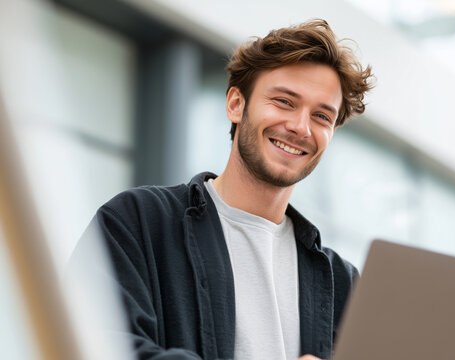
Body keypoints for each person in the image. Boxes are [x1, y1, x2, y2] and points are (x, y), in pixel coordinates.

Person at [73, 19, 372, 360]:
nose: (300, 127)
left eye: (321, 116)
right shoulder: (138, 221)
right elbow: (91, 345)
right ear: (235, 104)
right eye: (285, 102)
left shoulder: (342, 283)